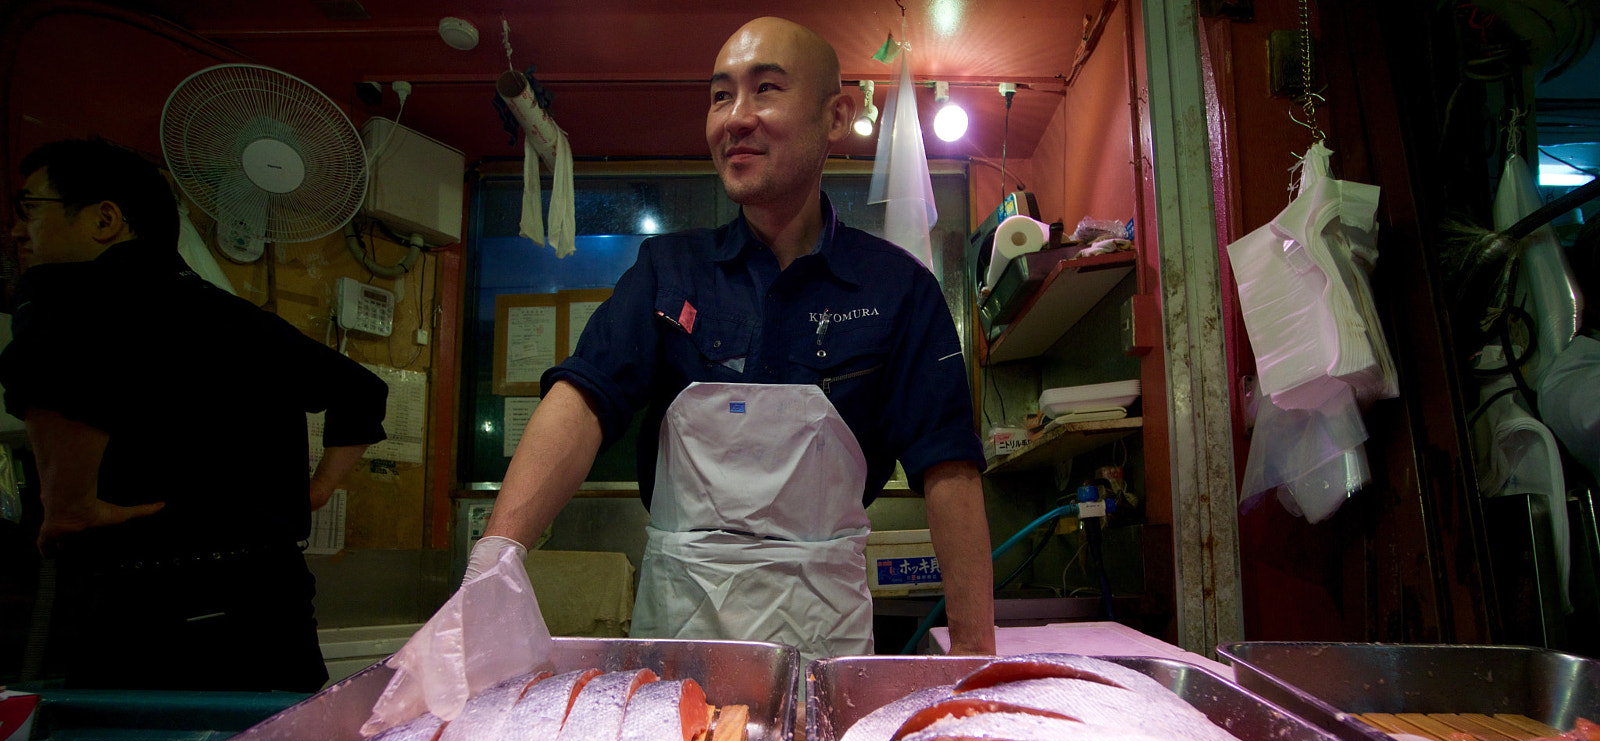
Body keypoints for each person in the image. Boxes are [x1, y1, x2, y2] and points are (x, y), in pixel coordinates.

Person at [472, 16, 996, 659]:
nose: (734, 118)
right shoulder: (667, 271)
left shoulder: (898, 291)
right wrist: (494, 564)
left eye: (766, 89)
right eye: (721, 96)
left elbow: (948, 467)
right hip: (677, 634)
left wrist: (975, 660)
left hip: (823, 640)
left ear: (836, 117)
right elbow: (583, 399)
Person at [1, 138, 389, 691]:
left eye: (29, 209)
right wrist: (317, 489)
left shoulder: (63, 292)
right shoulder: (237, 316)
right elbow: (361, 389)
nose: (18, 232)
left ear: (105, 218)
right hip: (270, 602)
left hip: (152, 605)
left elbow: (51, 374)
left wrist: (70, 507)